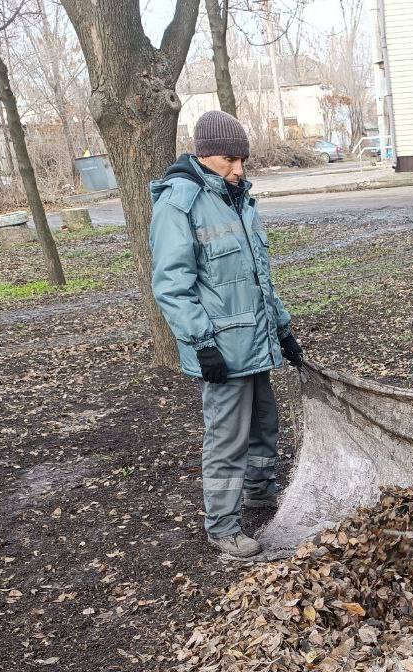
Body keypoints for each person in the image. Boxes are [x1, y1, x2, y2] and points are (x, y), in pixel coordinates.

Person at [149, 110, 303, 559]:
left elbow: (258, 279)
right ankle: (223, 526)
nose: (239, 170)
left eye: (243, 161)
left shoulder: (239, 199)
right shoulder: (180, 203)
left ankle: (260, 492)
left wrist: (283, 328)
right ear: (203, 155)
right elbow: (172, 286)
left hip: (255, 341)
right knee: (227, 440)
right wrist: (201, 343)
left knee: (264, 426)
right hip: (221, 348)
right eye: (229, 160)